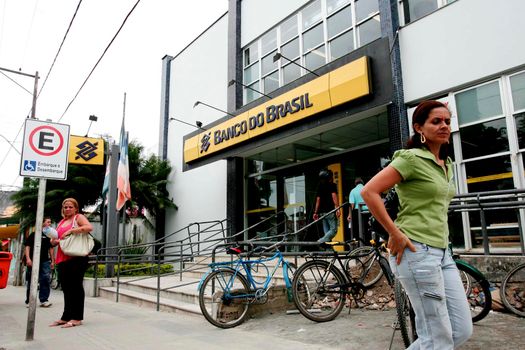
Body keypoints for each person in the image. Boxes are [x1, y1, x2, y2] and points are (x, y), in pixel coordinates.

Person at [361, 100, 472, 349]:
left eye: (447, 121)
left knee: (461, 330)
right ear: (419, 128)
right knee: (437, 337)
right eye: (436, 121)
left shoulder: (447, 165)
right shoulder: (411, 159)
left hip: (443, 254)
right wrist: (395, 233)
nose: (444, 125)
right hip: (416, 252)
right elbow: (370, 192)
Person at [49, 198, 93, 328]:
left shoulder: (78, 218)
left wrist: (72, 230)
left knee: (76, 287)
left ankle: (77, 317)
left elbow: (89, 227)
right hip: (62, 258)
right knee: (66, 289)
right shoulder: (61, 222)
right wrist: (54, 241)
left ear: (75, 208)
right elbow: (54, 240)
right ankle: (66, 316)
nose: (67, 209)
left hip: (77, 257)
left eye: (70, 207)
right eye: (65, 207)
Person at [24, 217, 55, 307]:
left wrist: (52, 261)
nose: (50, 223)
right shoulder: (34, 234)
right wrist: (28, 259)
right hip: (33, 261)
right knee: (31, 281)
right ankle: (30, 301)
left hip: (45, 261)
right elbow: (27, 246)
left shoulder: (48, 235)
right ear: (42, 223)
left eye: (50, 222)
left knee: (45, 280)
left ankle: (44, 300)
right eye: (48, 222)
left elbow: (51, 249)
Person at [313, 169, 341, 243]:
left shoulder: (320, 187)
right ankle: (320, 242)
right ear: (329, 177)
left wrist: (315, 212)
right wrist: (338, 208)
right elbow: (334, 196)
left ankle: (328, 251)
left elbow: (318, 200)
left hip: (322, 213)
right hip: (330, 212)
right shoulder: (332, 185)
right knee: (333, 230)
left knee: (327, 234)